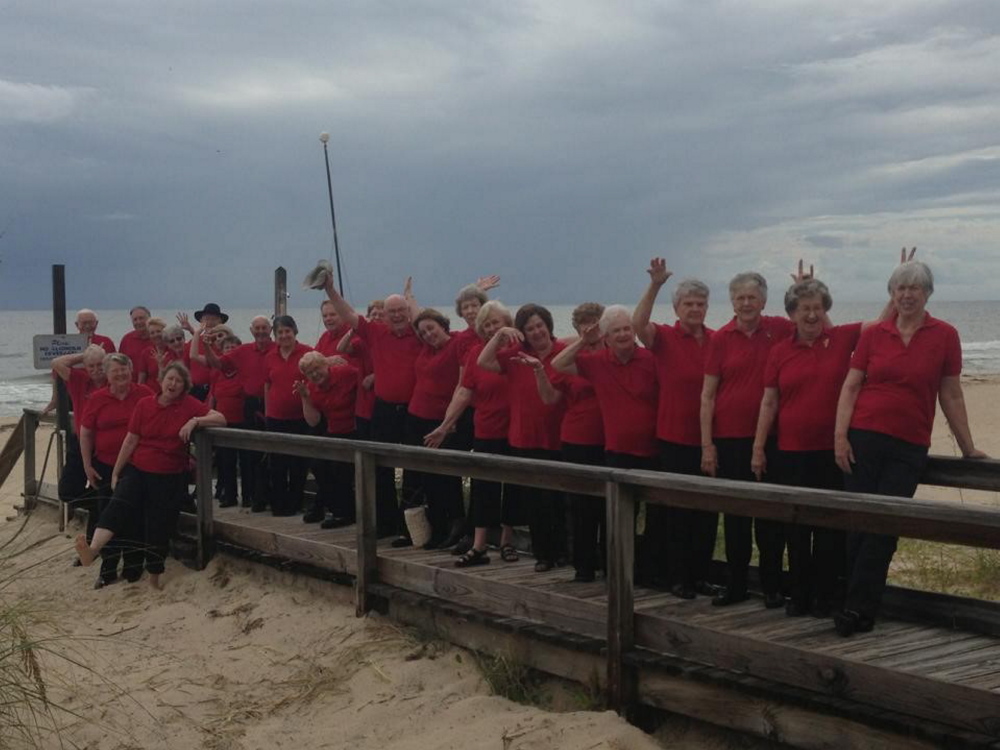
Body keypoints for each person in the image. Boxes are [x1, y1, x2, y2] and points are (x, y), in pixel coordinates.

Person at [833, 259, 987, 636]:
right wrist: (840, 437)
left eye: (914, 288)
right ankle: (854, 605)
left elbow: (950, 392)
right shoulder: (874, 334)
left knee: (884, 524)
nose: (906, 295)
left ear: (927, 293)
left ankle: (857, 606)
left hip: (909, 445)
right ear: (892, 294)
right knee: (858, 522)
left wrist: (968, 447)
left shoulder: (945, 335)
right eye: (899, 288)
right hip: (863, 439)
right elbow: (851, 386)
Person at [751, 278, 864, 618]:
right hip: (791, 452)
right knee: (797, 527)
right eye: (804, 309)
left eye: (817, 308)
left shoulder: (842, 338)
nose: (812, 315)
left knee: (830, 527)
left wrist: (899, 280)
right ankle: (799, 595)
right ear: (792, 314)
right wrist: (758, 448)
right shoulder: (779, 351)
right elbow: (769, 403)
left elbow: (886, 321)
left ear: (825, 310)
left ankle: (827, 597)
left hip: (833, 451)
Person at [74, 362, 226, 589]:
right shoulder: (145, 404)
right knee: (117, 506)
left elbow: (220, 418)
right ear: (161, 381)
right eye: (169, 379)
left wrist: (195, 420)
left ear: (184, 386)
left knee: (158, 526)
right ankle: (93, 550)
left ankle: (154, 577)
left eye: (178, 381)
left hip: (168, 475)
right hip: (138, 469)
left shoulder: (188, 404)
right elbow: (131, 439)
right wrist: (116, 471)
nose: (173, 384)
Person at [701, 271, 796, 608]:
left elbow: (821, 325)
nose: (745, 303)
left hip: (772, 439)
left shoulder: (780, 329)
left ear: (763, 301)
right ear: (732, 302)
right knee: (736, 516)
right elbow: (708, 396)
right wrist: (707, 445)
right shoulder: (720, 338)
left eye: (751, 297)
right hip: (729, 440)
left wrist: (800, 287)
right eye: (739, 298)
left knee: (770, 517)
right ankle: (736, 585)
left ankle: (772, 587)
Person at [552, 305, 658, 584]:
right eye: (616, 331)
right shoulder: (597, 362)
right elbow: (558, 364)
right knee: (614, 516)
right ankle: (610, 571)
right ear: (606, 337)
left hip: (653, 450)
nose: (623, 334)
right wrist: (583, 341)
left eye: (627, 328)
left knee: (653, 518)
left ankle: (646, 571)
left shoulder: (650, 358)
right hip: (613, 451)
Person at [633, 259, 717, 599]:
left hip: (710, 440)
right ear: (677, 308)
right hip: (673, 439)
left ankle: (700, 575)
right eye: (688, 304)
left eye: (700, 304)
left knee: (706, 514)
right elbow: (638, 324)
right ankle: (677, 577)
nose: (695, 309)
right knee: (676, 513)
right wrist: (655, 285)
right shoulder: (665, 337)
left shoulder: (717, 340)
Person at [322, 276, 423, 540]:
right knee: (380, 469)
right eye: (392, 312)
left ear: (408, 312)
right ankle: (386, 524)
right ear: (385, 316)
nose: (398, 315)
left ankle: (411, 528)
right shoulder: (376, 332)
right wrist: (330, 288)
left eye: (402, 310)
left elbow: (429, 321)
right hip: (385, 410)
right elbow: (348, 315)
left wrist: (410, 298)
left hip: (414, 411)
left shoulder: (419, 333)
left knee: (414, 469)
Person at [425, 301, 519, 567]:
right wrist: (445, 425)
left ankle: (507, 541)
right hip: (487, 427)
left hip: (516, 429)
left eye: (496, 323)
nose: (491, 329)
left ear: (507, 323)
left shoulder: (518, 351)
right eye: (486, 324)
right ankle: (479, 546)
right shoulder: (476, 354)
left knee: (512, 486)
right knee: (482, 486)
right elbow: (464, 392)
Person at [478, 304, 568, 572]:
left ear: (548, 325)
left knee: (559, 501)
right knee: (534, 503)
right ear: (523, 333)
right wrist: (500, 335)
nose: (537, 331)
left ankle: (563, 552)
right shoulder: (516, 355)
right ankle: (543, 555)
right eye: (530, 328)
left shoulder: (561, 353)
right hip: (524, 438)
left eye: (540, 325)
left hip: (557, 437)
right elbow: (482, 361)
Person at [78, 353, 154, 587]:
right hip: (104, 464)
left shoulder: (144, 393)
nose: (120, 374)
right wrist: (87, 464)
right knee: (105, 512)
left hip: (136, 465)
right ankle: (107, 570)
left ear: (131, 371)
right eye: (115, 371)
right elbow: (86, 432)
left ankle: (133, 567)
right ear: (107, 374)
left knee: (132, 516)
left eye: (124, 370)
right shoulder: (98, 398)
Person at [545, 303, 606, 583]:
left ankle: (609, 562)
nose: (590, 327)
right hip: (577, 438)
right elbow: (556, 365)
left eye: (595, 322)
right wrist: (583, 340)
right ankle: (583, 565)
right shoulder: (573, 357)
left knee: (609, 507)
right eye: (584, 323)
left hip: (610, 438)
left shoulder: (612, 353)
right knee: (581, 507)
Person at [406, 308, 466, 548]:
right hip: (417, 419)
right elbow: (415, 317)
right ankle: (437, 529)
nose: (428, 334)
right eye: (423, 332)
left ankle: (456, 526)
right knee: (426, 478)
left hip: (442, 422)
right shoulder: (426, 348)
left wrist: (448, 423)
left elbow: (476, 328)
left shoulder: (457, 343)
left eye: (432, 328)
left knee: (446, 476)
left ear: (443, 325)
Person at [204, 315, 276, 512]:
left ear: (270, 329)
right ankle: (240, 497)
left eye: (264, 327)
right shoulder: (243, 351)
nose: (261, 331)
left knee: (263, 457)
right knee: (248, 456)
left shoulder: (278, 349)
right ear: (251, 331)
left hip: (272, 406)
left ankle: (256, 496)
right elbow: (218, 363)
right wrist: (208, 346)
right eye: (257, 328)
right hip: (250, 407)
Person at [296, 351, 359, 528]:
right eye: (310, 372)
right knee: (318, 465)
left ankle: (344, 513)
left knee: (342, 470)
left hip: (354, 430)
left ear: (326, 366)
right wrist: (305, 397)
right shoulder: (311, 387)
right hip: (334, 431)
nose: (315, 374)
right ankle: (338, 509)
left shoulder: (345, 373)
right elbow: (313, 420)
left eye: (317, 369)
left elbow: (361, 374)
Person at [50, 344, 108, 535]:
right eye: (91, 366)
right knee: (67, 491)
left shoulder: (112, 381)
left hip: (104, 443)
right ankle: (97, 501)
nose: (96, 370)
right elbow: (57, 362)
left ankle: (93, 543)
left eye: (100, 365)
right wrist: (84, 355)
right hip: (81, 441)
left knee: (101, 489)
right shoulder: (79, 379)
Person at [263, 315, 314, 518]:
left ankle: (295, 503)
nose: (284, 335)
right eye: (280, 332)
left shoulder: (307, 353)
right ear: (275, 335)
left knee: (298, 464)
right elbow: (267, 384)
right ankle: (278, 504)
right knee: (277, 463)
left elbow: (316, 378)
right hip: (275, 417)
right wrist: (267, 412)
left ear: (295, 332)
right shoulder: (270, 356)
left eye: (287, 331)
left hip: (300, 417)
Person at [207, 333, 247, 508]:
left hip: (243, 421)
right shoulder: (218, 373)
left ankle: (248, 496)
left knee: (246, 462)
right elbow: (213, 396)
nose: (230, 351)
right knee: (225, 462)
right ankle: (229, 495)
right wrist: (209, 416)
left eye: (234, 347)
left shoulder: (245, 370)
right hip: (223, 423)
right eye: (227, 348)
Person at [119, 306, 153, 382]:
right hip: (132, 386)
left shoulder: (158, 338)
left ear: (150, 319)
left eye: (141, 318)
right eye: (135, 320)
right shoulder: (127, 339)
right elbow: (120, 364)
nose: (138, 322)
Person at [137, 317, 171, 392]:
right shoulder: (146, 353)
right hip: (151, 393)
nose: (156, 335)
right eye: (152, 333)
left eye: (158, 331)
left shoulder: (173, 349)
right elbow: (141, 380)